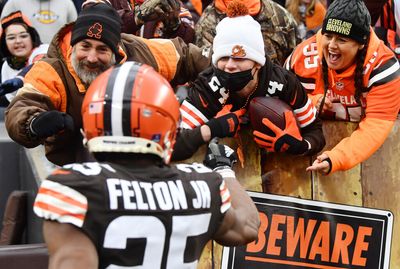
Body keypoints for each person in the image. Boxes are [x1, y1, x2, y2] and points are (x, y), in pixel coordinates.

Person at [33, 61, 260, 269]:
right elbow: (248, 227)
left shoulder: (75, 188)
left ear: (91, 122)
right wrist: (223, 169)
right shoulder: (203, 185)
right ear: (170, 127)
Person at [5, 2, 210, 166]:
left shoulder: (139, 51)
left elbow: (187, 55)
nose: (91, 58)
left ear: (116, 50)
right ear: (74, 46)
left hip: (144, 157)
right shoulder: (52, 69)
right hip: (76, 165)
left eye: (102, 49)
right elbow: (21, 107)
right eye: (85, 46)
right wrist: (35, 123)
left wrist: (225, 70)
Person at [172, 1, 325, 161]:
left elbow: (315, 131)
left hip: (277, 174)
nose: (230, 65)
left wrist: (300, 146)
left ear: (257, 62)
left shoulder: (284, 83)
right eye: (223, 57)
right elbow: (172, 143)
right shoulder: (208, 85)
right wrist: (212, 128)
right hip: (220, 172)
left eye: (239, 58)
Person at [285, 0, 400, 174]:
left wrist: (338, 158)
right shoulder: (301, 57)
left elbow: (375, 126)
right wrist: (308, 102)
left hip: (377, 166)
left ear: (361, 43)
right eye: (328, 36)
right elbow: (279, 99)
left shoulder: (383, 67)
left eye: (342, 39)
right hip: (304, 161)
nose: (331, 45)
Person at [194, 0, 299, 65]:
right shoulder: (206, 25)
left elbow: (296, 61)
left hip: (276, 94)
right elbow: (206, 75)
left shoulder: (280, 17)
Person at [85, 0, 196, 43]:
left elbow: (188, 46)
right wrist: (138, 16)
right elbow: (91, 23)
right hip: (111, 77)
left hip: (155, 86)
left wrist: (174, 25)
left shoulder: (175, 5)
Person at [0, 11, 48, 106]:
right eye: (11, 38)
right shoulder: (6, 66)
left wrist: (20, 78)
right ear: (4, 43)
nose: (18, 41)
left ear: (32, 37)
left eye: (23, 36)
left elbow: (40, 64)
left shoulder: (44, 50)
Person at [0, 0, 77, 44]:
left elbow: (75, 32)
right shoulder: (14, 2)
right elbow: (2, 31)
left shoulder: (67, 3)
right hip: (25, 61)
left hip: (58, 59)